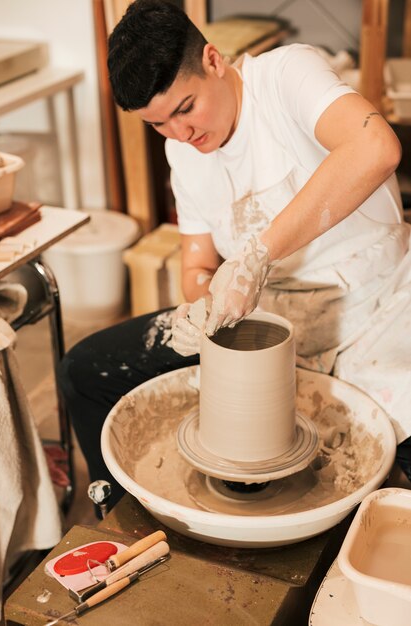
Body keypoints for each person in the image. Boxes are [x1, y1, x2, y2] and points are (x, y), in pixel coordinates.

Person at [58, 0, 411, 511]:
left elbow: (376, 148)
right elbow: (197, 265)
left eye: (185, 109)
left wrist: (257, 256)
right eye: (158, 125)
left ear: (213, 61)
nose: (181, 135)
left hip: (375, 307)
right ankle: (122, 523)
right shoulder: (182, 150)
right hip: (264, 317)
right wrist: (205, 307)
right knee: (85, 372)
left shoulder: (286, 74)